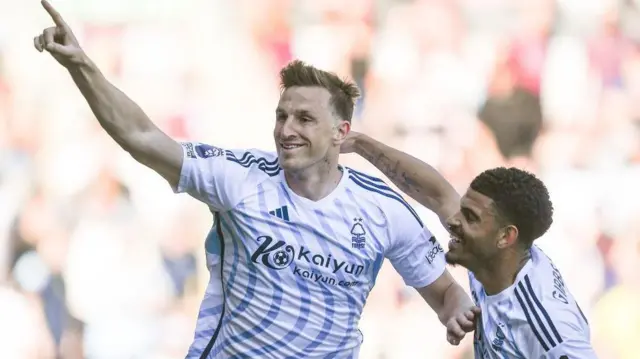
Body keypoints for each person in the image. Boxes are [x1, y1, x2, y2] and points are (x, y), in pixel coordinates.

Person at [33, 1, 479, 357]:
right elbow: (141, 136)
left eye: (305, 118)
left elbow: (445, 294)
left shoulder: (382, 209)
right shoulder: (238, 178)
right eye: (282, 115)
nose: (287, 129)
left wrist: (457, 309)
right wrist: (81, 66)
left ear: (342, 133)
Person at [341, 131, 598, 358]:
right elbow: (438, 195)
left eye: (470, 217)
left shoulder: (546, 325)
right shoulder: (492, 257)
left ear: (505, 237)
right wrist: (359, 143)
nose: (454, 222)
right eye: (463, 209)